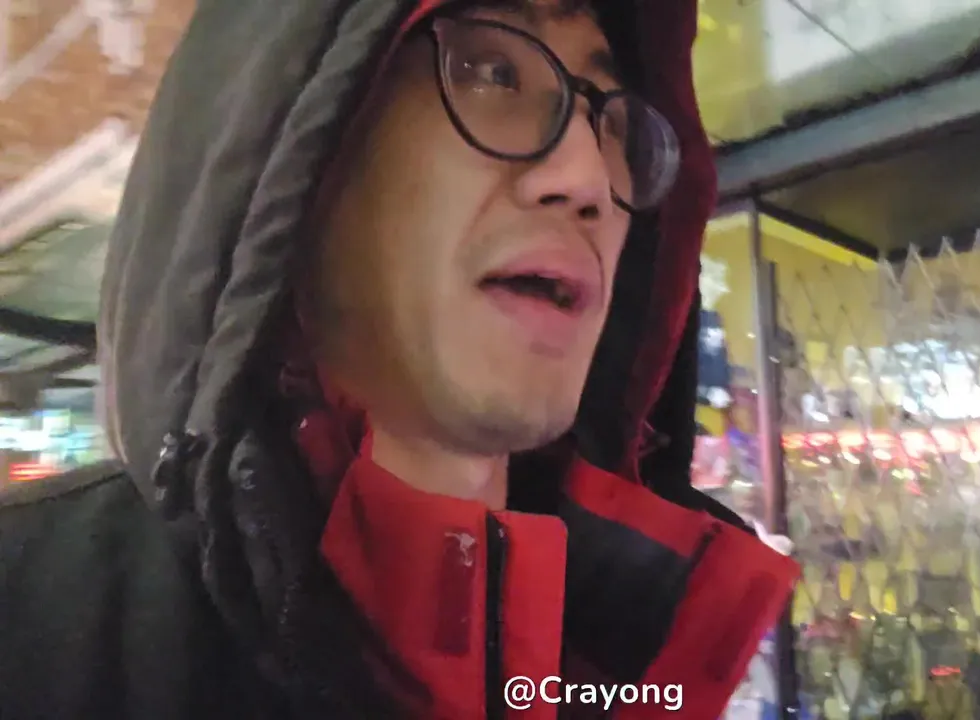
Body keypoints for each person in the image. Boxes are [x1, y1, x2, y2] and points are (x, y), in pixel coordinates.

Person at [0, 1, 800, 718]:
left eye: (613, 124)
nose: (588, 178)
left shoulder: (633, 652)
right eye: (492, 71)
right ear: (302, 140)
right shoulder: (31, 626)